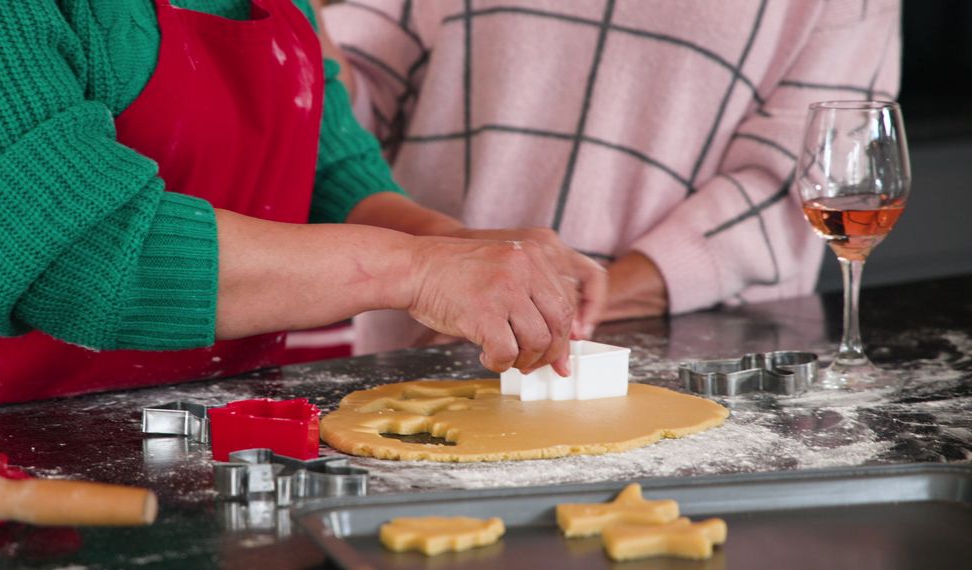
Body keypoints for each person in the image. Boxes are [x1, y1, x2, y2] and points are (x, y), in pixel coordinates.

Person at [0, 0, 606, 421]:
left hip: (218, 443)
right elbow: (71, 251)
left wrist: (464, 250)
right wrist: (418, 271)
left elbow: (333, 171)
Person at [323, 0, 902, 354]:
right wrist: (304, 43)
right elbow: (339, 119)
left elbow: (790, 178)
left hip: (690, 355)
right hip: (434, 350)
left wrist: (550, 302)